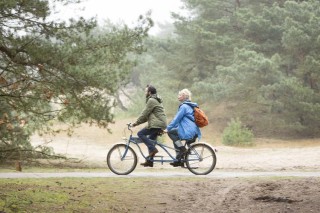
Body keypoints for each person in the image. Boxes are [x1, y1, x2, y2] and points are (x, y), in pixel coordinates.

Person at [132, 85, 167, 167]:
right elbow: (146, 117)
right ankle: (150, 161)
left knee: (140, 134)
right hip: (160, 123)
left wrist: (135, 123)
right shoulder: (155, 100)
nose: (145, 93)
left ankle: (153, 150)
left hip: (158, 123)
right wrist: (137, 123)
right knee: (150, 139)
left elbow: (144, 114)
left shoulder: (151, 100)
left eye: (145, 91)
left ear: (149, 92)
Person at [165, 89, 201, 167]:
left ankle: (182, 150)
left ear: (184, 96)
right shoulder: (190, 105)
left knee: (171, 132)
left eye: (180, 95)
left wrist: (167, 128)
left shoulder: (184, 106)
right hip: (193, 130)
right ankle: (179, 159)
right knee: (176, 138)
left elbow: (176, 119)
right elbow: (182, 121)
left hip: (188, 131)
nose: (178, 96)